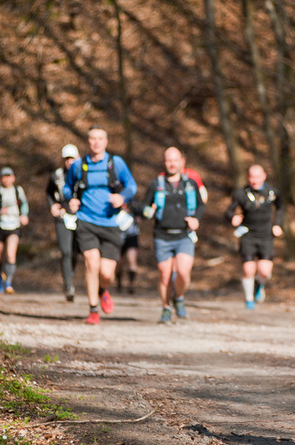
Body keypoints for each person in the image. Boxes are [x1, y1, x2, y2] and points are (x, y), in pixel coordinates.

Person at [63, 126, 137, 325]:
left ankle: (103, 290)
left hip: (111, 223)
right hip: (86, 221)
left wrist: (122, 197)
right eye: (92, 139)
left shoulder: (116, 163)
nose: (96, 142)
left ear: (106, 142)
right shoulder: (78, 166)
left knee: (107, 273)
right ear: (88, 142)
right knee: (91, 263)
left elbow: (132, 186)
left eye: (100, 139)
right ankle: (93, 309)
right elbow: (67, 187)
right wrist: (70, 199)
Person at [141, 146, 206, 323]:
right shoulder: (156, 184)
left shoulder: (190, 184)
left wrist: (196, 220)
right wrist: (148, 212)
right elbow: (143, 207)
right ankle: (165, 308)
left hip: (184, 235)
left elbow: (201, 206)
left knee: (183, 273)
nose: (172, 163)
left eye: (175, 160)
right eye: (168, 160)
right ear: (164, 162)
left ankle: (179, 297)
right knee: (165, 274)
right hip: (162, 235)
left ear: (182, 161)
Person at [225, 164, 284, 309]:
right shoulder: (240, 194)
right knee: (248, 269)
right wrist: (232, 218)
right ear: (247, 177)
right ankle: (249, 299)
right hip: (248, 235)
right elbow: (228, 211)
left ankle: (259, 283)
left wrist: (277, 224)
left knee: (264, 271)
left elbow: (281, 208)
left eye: (257, 177)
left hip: (266, 236)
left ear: (264, 176)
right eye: (251, 177)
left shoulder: (272, 192)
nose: (254, 180)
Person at [0, 166, 29, 294]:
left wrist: (24, 215)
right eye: (4, 176)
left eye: (9, 176)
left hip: (14, 226)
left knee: (10, 255)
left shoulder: (18, 190)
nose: (7, 179)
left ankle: (8, 282)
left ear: (13, 178)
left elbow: (24, 204)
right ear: (1, 178)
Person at [46, 143, 80, 301]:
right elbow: (49, 192)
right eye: (67, 158)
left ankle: (70, 273)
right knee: (65, 251)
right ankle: (68, 286)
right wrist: (52, 205)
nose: (70, 161)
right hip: (62, 217)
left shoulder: (83, 174)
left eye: (72, 158)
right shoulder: (57, 175)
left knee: (75, 252)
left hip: (80, 217)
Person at [116, 196, 142, 294]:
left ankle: (131, 284)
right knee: (119, 263)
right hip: (118, 236)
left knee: (132, 261)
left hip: (131, 235)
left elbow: (141, 212)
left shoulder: (134, 202)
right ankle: (119, 281)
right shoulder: (113, 199)